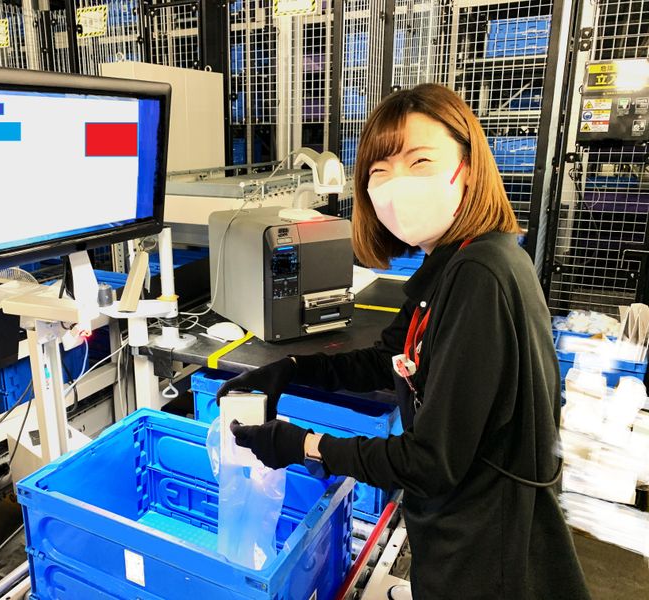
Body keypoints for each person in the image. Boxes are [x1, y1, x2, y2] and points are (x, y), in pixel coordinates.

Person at [218, 84, 591, 600]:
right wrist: (295, 369)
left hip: (491, 560)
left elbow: (430, 462)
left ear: (467, 166)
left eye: (420, 161)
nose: (398, 185)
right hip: (458, 537)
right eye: (380, 170)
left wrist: (303, 445)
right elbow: (388, 359)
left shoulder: (482, 275)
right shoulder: (451, 264)